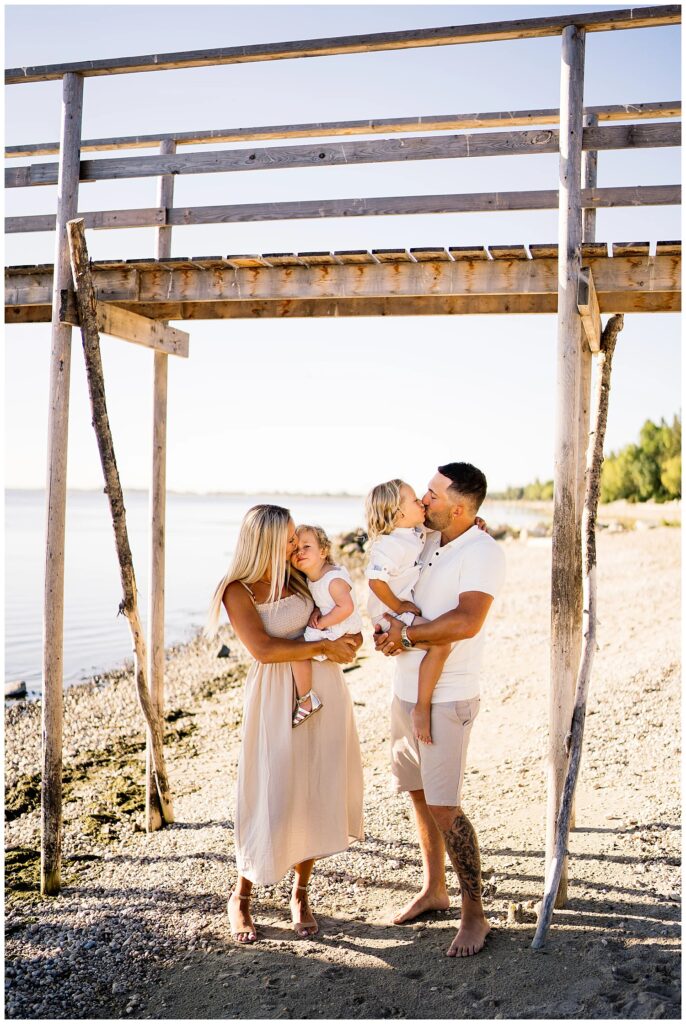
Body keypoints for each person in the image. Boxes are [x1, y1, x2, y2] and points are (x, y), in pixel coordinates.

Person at [207, 504, 364, 943]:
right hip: (275, 696)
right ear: (266, 541)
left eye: (297, 538)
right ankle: (241, 895)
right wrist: (323, 649)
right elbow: (263, 649)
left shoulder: (297, 575)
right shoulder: (236, 589)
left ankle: (301, 892)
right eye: (290, 538)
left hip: (323, 687)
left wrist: (350, 637)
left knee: (311, 787)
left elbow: (341, 598)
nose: (296, 545)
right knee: (269, 791)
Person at [375, 463, 506, 958]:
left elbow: (467, 621)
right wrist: (388, 633)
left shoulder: (483, 551)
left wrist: (407, 635)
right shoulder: (427, 538)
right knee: (418, 794)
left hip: (448, 696)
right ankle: (435, 889)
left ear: (459, 507)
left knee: (445, 806)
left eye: (432, 493)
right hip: (405, 689)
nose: (424, 500)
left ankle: (475, 913)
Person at [364, 479, 452, 745]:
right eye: (415, 500)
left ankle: (419, 703)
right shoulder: (389, 544)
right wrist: (399, 606)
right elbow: (375, 581)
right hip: (389, 613)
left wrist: (476, 523)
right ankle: (421, 708)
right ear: (398, 512)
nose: (422, 502)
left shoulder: (413, 531)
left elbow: (447, 525)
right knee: (440, 644)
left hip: (396, 611)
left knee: (437, 643)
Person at [292, 525, 362, 721]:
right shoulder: (313, 578)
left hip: (341, 627)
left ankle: (306, 701)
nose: (300, 552)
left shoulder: (333, 580)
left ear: (323, 551)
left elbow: (346, 607)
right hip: (334, 624)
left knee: (297, 651)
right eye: (296, 549)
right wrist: (316, 610)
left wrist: (322, 622)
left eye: (306, 547)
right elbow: (324, 602)